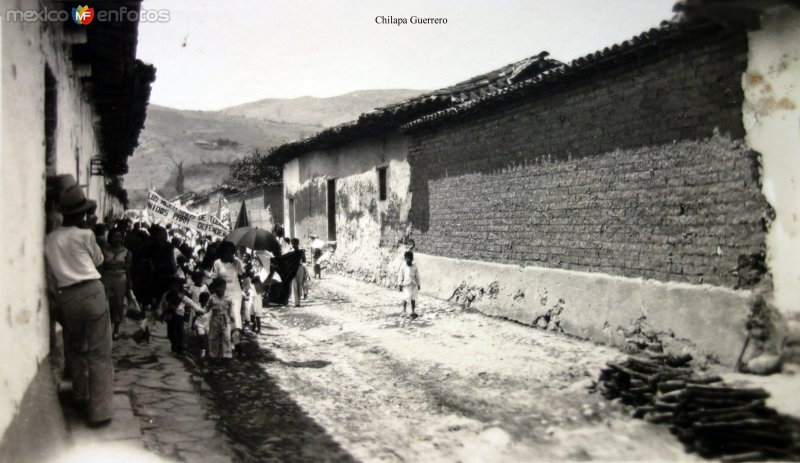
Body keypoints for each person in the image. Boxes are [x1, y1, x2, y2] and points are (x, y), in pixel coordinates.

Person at [45, 185, 114, 426]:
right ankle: (100, 412)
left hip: (67, 297)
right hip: (91, 292)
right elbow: (99, 260)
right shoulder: (85, 235)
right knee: (99, 353)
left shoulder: (50, 240)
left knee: (76, 349)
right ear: (82, 213)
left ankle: (81, 396)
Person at [210, 241, 245, 347]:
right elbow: (214, 278)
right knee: (225, 316)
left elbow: (241, 276)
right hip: (222, 293)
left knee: (235, 314)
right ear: (222, 252)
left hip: (235, 292)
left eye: (232, 253)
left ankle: (236, 339)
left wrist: (247, 272)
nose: (230, 255)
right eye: (227, 252)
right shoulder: (217, 263)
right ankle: (229, 340)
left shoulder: (237, 262)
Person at [101, 228, 132, 340]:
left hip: (120, 279)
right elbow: (101, 266)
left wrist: (129, 285)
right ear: (110, 237)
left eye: (119, 236)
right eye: (115, 236)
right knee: (106, 303)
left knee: (118, 304)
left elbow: (128, 269)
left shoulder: (126, 252)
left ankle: (116, 329)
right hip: (106, 278)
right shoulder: (104, 250)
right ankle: (106, 328)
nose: (117, 239)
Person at [207, 278, 234, 360]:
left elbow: (230, 309)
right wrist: (201, 311)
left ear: (225, 287)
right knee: (213, 337)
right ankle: (213, 354)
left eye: (222, 287)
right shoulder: (212, 298)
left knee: (226, 337)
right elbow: (207, 308)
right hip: (214, 319)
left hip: (225, 319)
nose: (220, 289)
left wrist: (232, 316)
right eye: (218, 287)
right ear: (215, 288)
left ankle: (227, 355)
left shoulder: (228, 298)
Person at [397, 251, 421, 319]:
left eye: (410, 258)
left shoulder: (414, 267)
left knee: (413, 298)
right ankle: (404, 310)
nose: (408, 259)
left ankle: (413, 311)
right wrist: (399, 284)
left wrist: (418, 284)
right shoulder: (403, 267)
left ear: (412, 259)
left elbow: (417, 276)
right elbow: (400, 276)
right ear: (405, 258)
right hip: (406, 285)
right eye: (407, 258)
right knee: (406, 297)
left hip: (413, 285)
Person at [289, 238, 307, 307]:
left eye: (295, 243)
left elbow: (304, 260)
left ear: (297, 244)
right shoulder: (290, 252)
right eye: (292, 243)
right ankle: (296, 302)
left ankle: (298, 300)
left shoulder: (301, 251)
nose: (293, 245)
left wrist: (303, 254)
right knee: (294, 285)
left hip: (300, 268)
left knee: (299, 284)